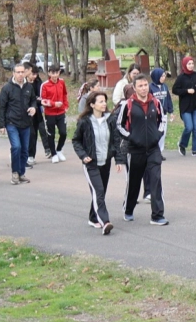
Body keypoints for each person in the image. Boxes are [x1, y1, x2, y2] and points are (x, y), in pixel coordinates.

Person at [113, 72, 168, 225]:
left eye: (145, 85)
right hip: (135, 149)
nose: (144, 88)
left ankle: (157, 215)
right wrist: (131, 137)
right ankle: (128, 209)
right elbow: (119, 125)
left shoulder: (155, 102)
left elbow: (162, 119)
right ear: (135, 88)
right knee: (134, 182)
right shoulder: (127, 104)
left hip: (153, 148)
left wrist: (158, 134)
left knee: (156, 181)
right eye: (140, 86)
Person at [71, 89, 116, 234]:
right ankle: (105, 221)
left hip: (105, 161)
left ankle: (93, 217)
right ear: (92, 104)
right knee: (99, 191)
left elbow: (116, 140)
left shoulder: (110, 119)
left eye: (105, 101)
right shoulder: (84, 122)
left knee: (99, 192)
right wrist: (83, 155)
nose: (104, 104)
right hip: (91, 163)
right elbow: (76, 141)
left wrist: (119, 159)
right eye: (101, 101)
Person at [0, 64, 37, 184]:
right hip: (12, 123)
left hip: (26, 123)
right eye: (18, 72)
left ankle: (21, 173)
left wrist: (34, 108)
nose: (20, 74)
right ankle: (15, 173)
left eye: (22, 72)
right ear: (13, 73)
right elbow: (1, 107)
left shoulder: (29, 87)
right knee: (16, 147)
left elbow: (33, 100)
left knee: (25, 149)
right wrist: (2, 125)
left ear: (25, 73)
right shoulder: (7, 88)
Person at [173, 56, 196, 156]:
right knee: (189, 127)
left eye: (192, 63)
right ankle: (182, 144)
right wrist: (186, 91)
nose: (191, 66)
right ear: (184, 65)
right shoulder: (181, 77)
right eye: (189, 64)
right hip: (185, 106)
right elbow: (175, 90)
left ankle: (195, 149)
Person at [40, 66, 70, 163]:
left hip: (61, 112)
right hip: (50, 113)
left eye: (56, 73)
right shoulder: (45, 85)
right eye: (52, 73)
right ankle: (53, 154)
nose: (55, 75)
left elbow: (64, 94)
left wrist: (66, 105)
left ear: (59, 73)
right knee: (51, 134)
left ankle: (59, 150)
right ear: (49, 73)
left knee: (63, 133)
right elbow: (43, 100)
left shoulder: (61, 82)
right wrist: (53, 104)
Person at [149, 67, 173, 149]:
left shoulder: (165, 87)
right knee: (155, 133)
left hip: (164, 114)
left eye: (164, 76)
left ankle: (160, 151)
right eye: (162, 76)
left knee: (163, 133)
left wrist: (171, 111)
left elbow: (168, 99)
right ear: (156, 76)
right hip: (154, 115)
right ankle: (154, 150)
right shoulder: (150, 87)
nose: (164, 78)